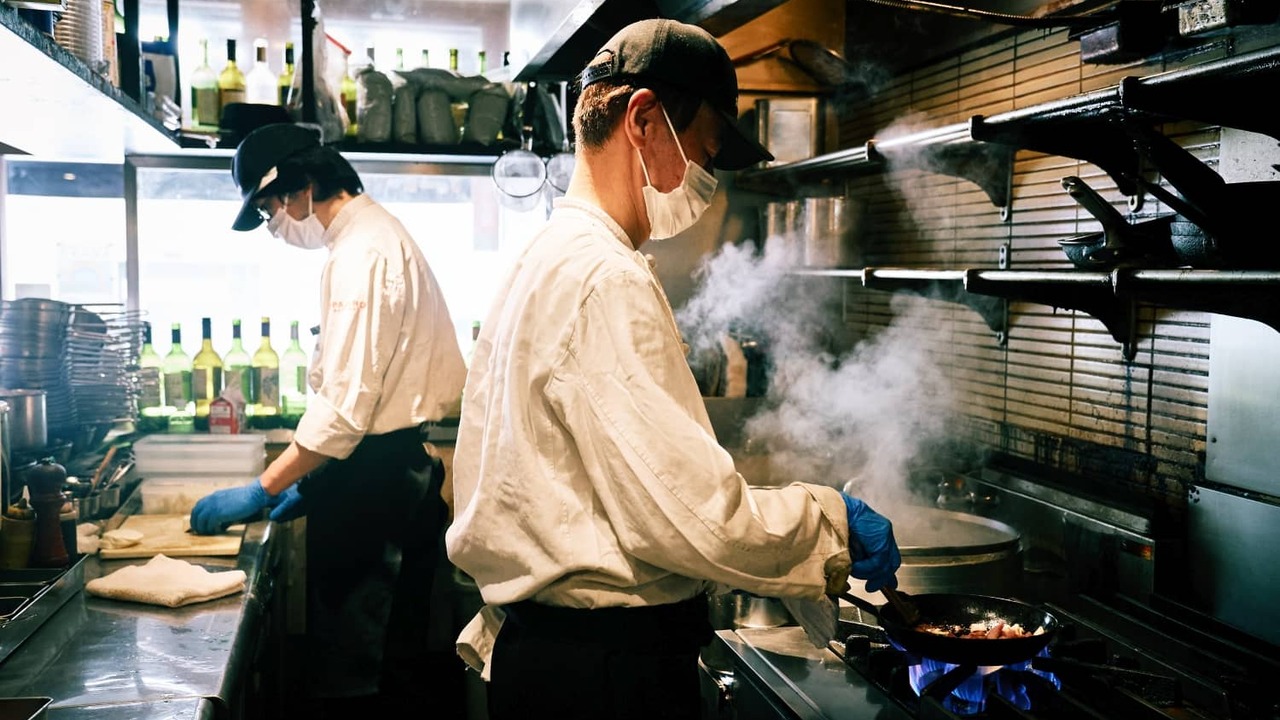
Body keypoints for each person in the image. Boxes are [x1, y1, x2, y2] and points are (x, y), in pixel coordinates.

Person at [445, 18, 902, 720]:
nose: (707, 179)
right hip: (604, 674)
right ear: (644, 119)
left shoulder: (546, 257)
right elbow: (693, 517)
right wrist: (830, 520)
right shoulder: (605, 277)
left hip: (550, 658)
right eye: (705, 150)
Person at [188, 123, 467, 716]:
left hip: (379, 494)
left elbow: (344, 411)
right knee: (382, 661)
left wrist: (263, 487)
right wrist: (315, 482)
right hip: (380, 477)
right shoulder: (370, 240)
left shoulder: (363, 253)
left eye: (270, 209)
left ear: (301, 188)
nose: (276, 225)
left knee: (362, 678)